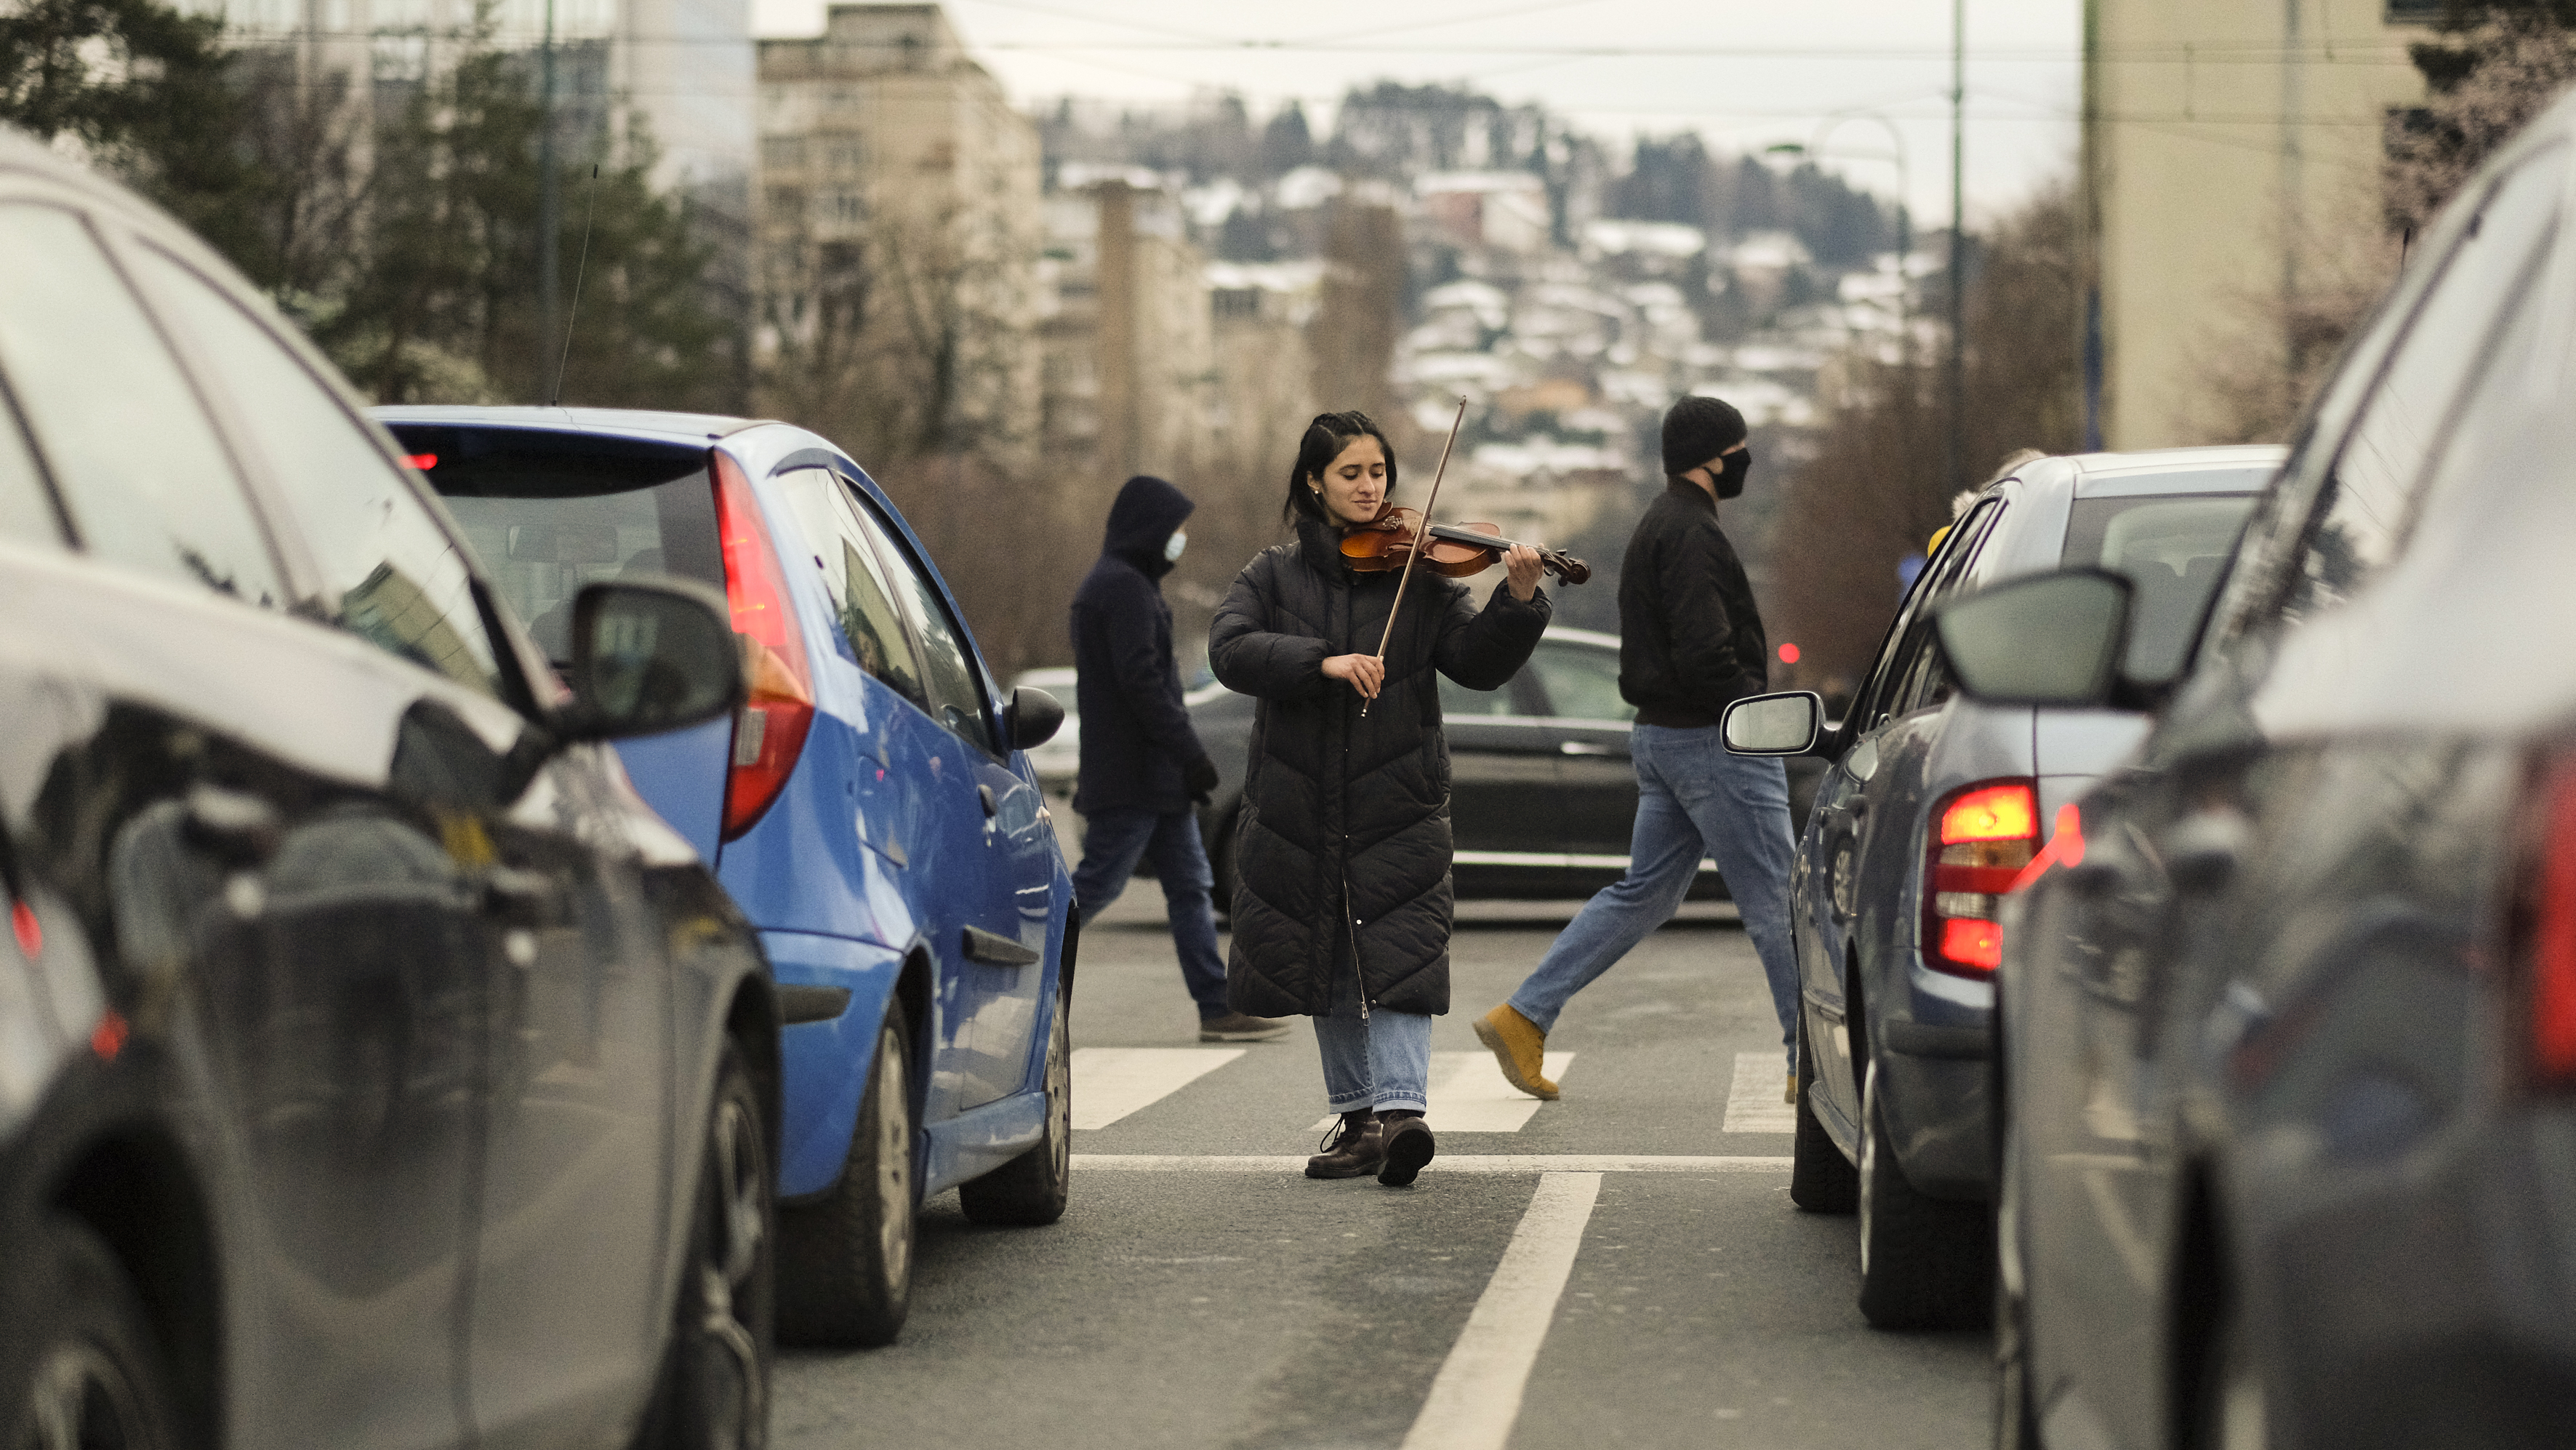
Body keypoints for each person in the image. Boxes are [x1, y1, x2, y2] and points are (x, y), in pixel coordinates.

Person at [1210, 412, 1548, 1185]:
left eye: (1379, 473)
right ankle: (1358, 1120)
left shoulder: (1421, 577)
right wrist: (1322, 662)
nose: (1370, 488)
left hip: (1398, 798)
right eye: (1351, 473)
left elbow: (1475, 664)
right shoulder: (1272, 574)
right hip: (1299, 804)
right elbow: (1228, 649)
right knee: (1324, 955)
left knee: (1402, 955)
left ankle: (1401, 1116)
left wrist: (1518, 600)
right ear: (1314, 483)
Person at [1474, 395, 1804, 1105]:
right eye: (1739, 449)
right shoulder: (1694, 534)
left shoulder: (1659, 523)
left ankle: (1523, 1016)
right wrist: (1751, 705)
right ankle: (1809, 1060)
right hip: (1715, 738)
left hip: (1660, 736)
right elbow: (1706, 651)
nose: (1745, 461)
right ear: (1716, 457)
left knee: (1644, 893)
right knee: (1779, 900)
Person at [1070, 474, 1291, 1043]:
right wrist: (1189, 753)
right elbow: (1142, 683)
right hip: (1132, 774)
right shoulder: (1121, 587)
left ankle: (1216, 1008)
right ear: (1148, 528)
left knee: (1191, 887)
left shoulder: (1126, 584)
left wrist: (1181, 763)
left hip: (1154, 776)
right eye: (1175, 528)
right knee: (1095, 887)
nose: (1180, 538)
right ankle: (1015, 970)